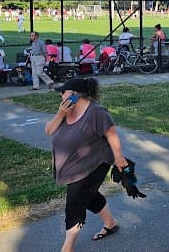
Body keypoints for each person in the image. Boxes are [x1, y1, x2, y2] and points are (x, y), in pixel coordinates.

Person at [46, 77, 131, 252]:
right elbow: (49, 130)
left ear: (74, 95)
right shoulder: (66, 111)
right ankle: (110, 223)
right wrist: (60, 114)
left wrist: (119, 159)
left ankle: (67, 248)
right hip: (72, 165)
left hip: (95, 163)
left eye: (64, 92)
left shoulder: (96, 112)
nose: (61, 96)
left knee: (75, 203)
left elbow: (112, 135)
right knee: (88, 195)